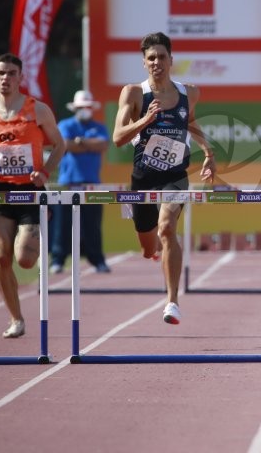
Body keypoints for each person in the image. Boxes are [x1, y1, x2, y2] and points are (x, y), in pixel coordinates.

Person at [0, 53, 66, 338]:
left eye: (11, 73)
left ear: (20, 78)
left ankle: (34, 244)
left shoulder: (37, 110)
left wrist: (44, 173)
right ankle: (16, 319)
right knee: (3, 258)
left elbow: (59, 145)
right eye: (1, 73)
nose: (6, 78)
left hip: (30, 190)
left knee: (25, 260)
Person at [112, 32, 215, 325]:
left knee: (167, 228)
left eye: (162, 57)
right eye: (151, 58)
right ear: (144, 63)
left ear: (172, 60)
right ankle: (154, 249)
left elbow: (190, 122)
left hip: (175, 176)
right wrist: (145, 120)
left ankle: (172, 302)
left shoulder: (189, 93)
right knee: (148, 247)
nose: (157, 62)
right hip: (143, 177)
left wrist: (208, 151)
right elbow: (118, 138)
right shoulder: (133, 93)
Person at [50, 90, 111, 274]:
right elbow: (67, 145)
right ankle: (58, 260)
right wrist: (88, 144)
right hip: (67, 182)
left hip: (92, 183)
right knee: (63, 225)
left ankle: (98, 260)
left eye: (87, 107)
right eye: (81, 107)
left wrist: (81, 142)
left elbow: (103, 145)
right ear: (75, 108)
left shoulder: (99, 127)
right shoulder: (65, 124)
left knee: (93, 225)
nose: (85, 110)